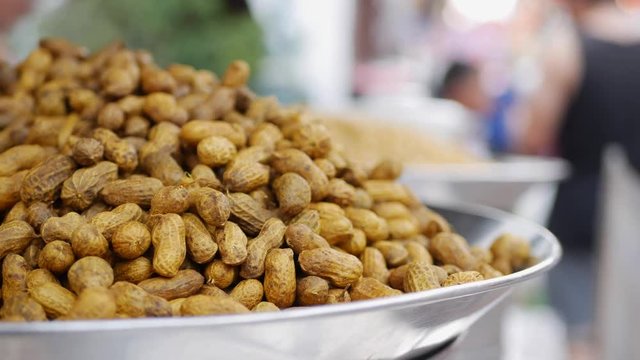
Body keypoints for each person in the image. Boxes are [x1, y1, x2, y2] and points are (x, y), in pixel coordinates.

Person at [517, 0, 640, 358]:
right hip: (635, 208)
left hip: (583, 211)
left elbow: (534, 135)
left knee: (582, 337)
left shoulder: (566, 47)